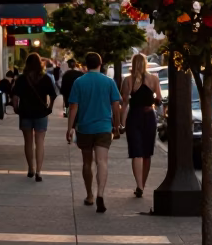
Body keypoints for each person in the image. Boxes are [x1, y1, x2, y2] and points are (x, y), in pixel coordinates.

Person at [66, 52, 122, 213]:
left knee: (86, 162)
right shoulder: (109, 82)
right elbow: (115, 105)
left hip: (85, 128)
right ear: (100, 63)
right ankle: (101, 194)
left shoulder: (79, 82)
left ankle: (90, 195)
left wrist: (69, 128)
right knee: (102, 162)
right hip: (104, 128)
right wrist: (116, 126)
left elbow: (73, 107)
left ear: (86, 64)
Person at [119, 53, 162, 198]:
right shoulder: (154, 79)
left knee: (136, 152)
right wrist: (154, 100)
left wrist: (121, 123)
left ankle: (139, 185)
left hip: (134, 117)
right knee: (147, 153)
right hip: (149, 116)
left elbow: (124, 104)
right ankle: (142, 184)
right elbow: (159, 99)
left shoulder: (128, 80)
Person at [12, 52, 58, 180]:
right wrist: (50, 107)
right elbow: (53, 95)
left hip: (25, 113)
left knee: (28, 142)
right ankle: (38, 171)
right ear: (39, 64)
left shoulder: (21, 79)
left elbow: (15, 96)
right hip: (41, 113)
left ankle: (30, 169)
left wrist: (16, 108)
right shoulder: (45, 78)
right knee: (40, 142)